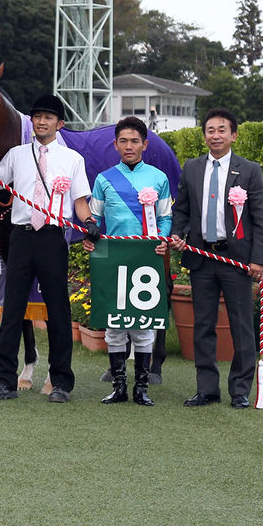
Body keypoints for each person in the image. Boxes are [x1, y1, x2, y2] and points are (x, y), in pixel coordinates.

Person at [0, 94, 94, 404]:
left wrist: (91, 222)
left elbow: (80, 202)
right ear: (32, 121)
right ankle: (5, 381)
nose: (41, 121)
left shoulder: (72, 159)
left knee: (58, 309)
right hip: (21, 236)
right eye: (37, 116)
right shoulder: (16, 155)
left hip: (53, 238)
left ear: (60, 123)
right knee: (13, 309)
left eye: (48, 117)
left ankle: (61, 382)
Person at [168, 108, 263, 409]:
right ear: (204, 136)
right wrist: (178, 234)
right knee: (203, 326)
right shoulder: (192, 168)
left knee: (241, 326)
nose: (216, 135)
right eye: (210, 130)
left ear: (233, 135)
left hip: (235, 260)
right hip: (201, 258)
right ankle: (206, 389)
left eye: (222, 130)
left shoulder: (249, 170)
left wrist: (259, 259)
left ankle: (240, 390)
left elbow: (261, 218)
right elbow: (182, 210)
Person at [83, 116, 172, 406]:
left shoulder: (159, 178)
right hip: (113, 258)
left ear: (145, 144)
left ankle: (141, 389)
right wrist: (90, 235)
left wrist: (162, 239)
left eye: (135, 141)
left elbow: (166, 217)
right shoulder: (103, 178)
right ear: (115, 144)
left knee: (143, 325)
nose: (129, 146)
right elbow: (95, 218)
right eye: (124, 141)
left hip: (146, 257)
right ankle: (119, 387)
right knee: (114, 324)